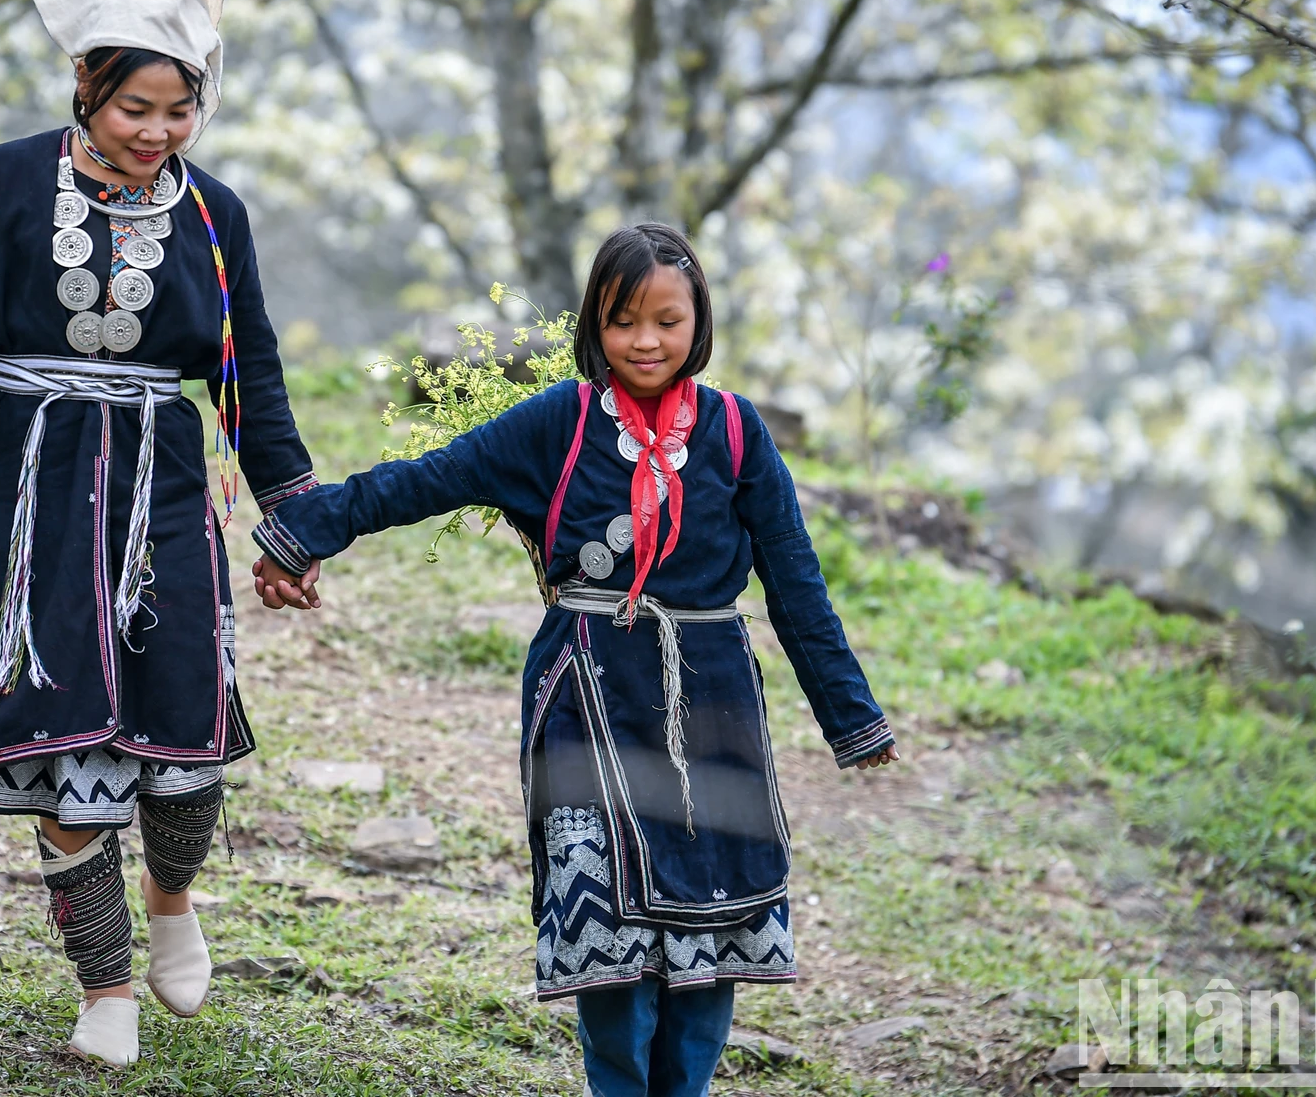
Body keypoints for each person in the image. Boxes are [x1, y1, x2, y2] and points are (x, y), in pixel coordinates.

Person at [250, 224, 899, 1097]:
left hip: (712, 701)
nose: (646, 341)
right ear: (595, 321)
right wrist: (301, 534)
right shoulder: (561, 420)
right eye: (624, 319)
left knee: (709, 917)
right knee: (609, 924)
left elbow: (797, 584)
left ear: (699, 322)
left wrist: (852, 720)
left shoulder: (737, 432)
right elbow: (426, 479)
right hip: (586, 689)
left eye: (668, 320)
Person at [0, 0, 320, 1067]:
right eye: (137, 108)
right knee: (56, 726)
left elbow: (247, 374)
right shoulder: (0, 180)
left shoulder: (215, 214)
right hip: (22, 482)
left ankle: (171, 896)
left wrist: (295, 517)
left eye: (181, 111)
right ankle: (106, 988)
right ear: (83, 84)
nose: (158, 132)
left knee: (184, 735)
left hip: (159, 483)